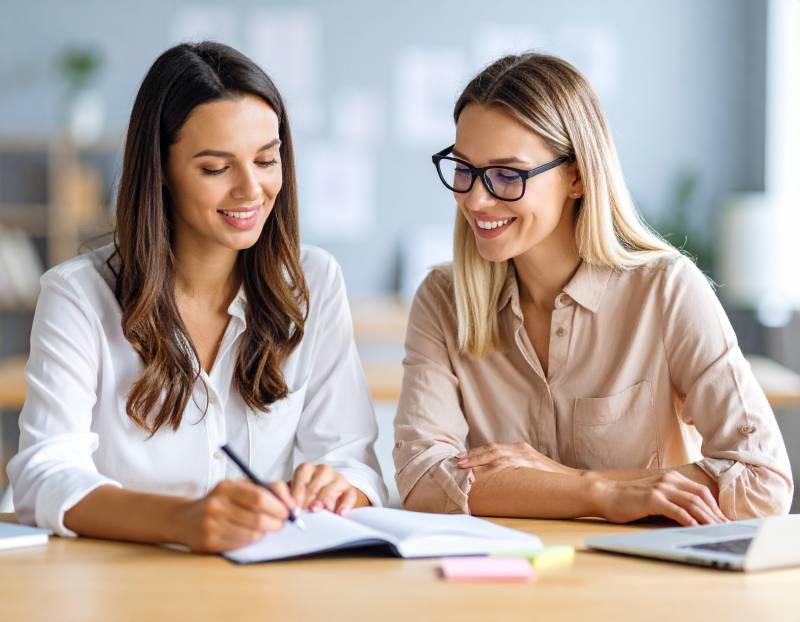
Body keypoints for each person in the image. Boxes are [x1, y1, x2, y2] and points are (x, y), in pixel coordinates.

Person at [8, 41, 386, 552]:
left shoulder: (313, 281)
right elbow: (43, 475)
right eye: (216, 168)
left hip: (268, 584)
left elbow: (351, 459)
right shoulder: (78, 295)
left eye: (266, 160)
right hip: (122, 585)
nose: (251, 190)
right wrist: (184, 520)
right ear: (160, 168)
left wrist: (341, 486)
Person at [393, 53, 792, 524]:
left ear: (577, 176)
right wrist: (595, 491)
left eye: (507, 175)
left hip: (648, 586)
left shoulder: (665, 290)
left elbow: (760, 481)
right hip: (505, 587)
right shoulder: (444, 299)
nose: (475, 199)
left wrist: (552, 481)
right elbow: (422, 479)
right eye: (464, 169)